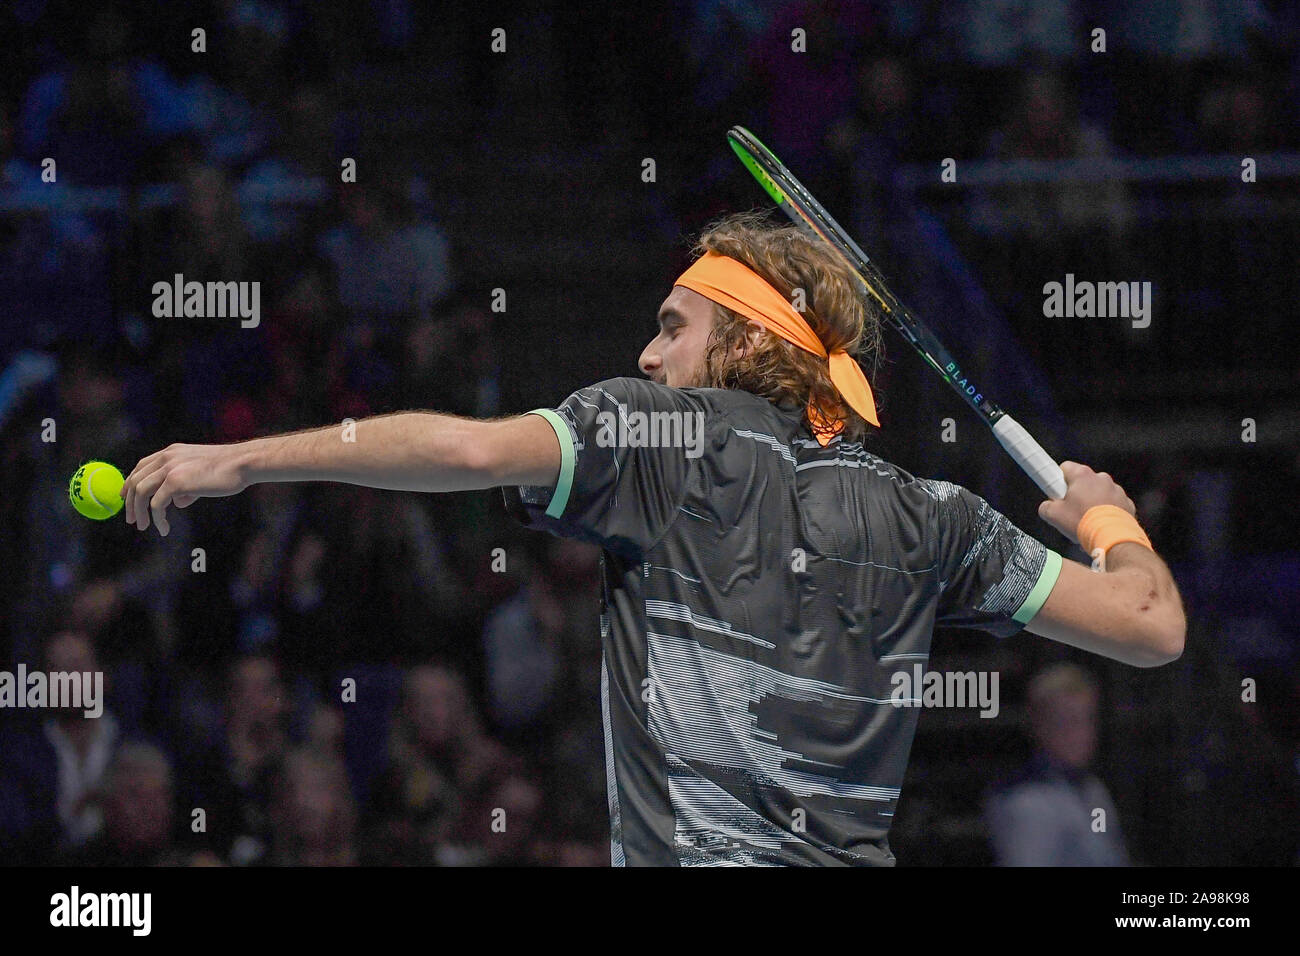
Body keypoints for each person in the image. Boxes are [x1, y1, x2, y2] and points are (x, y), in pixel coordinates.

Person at [119, 211, 1186, 866]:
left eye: (675, 322)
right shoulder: (935, 512)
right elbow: (1149, 625)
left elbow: (466, 451)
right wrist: (1109, 518)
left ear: (751, 339)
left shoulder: (659, 430)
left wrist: (245, 458)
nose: (648, 345)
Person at [984, 663, 1130, 866]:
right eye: (1067, 721)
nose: (1081, 734)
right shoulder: (1024, 803)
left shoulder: (1094, 791)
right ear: (1039, 725)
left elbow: (1107, 855)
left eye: (1087, 719)